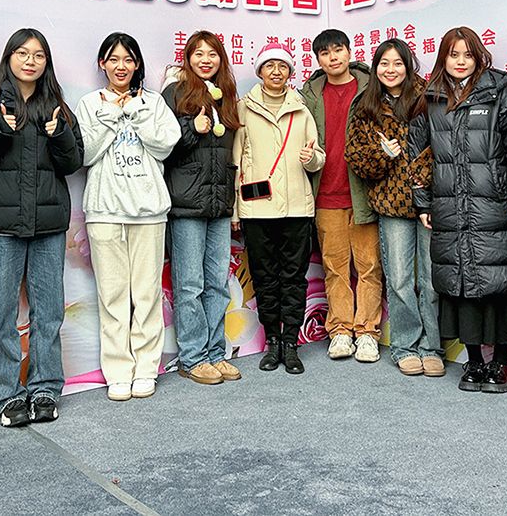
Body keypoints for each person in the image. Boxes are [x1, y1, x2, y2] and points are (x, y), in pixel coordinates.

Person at [0, 29, 82, 428]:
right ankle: (8, 394)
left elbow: (74, 162)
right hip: (0, 227)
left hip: (48, 224)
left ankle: (45, 388)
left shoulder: (57, 109)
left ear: (47, 63)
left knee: (49, 312)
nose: (30, 61)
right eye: (22, 53)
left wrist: (60, 135)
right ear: (9, 58)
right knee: (3, 313)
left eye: (39, 55)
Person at [410, 27, 507, 394]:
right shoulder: (430, 99)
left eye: (468, 55)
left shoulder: (499, 94)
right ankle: (475, 361)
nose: (460, 62)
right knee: (460, 284)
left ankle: (500, 364)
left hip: (494, 203)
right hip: (449, 205)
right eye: (454, 55)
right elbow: (418, 157)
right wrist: (422, 202)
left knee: (500, 280)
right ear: (443, 59)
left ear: (479, 58)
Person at [76, 33, 180, 401]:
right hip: (104, 211)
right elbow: (84, 154)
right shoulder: (89, 104)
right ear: (102, 64)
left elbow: (166, 145)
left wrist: (135, 112)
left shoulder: (153, 102)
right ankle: (118, 371)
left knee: (147, 294)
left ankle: (146, 368)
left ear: (137, 65)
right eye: (113, 59)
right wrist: (110, 116)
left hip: (149, 211)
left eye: (128, 60)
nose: (121, 67)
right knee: (113, 296)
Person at [344, 39, 443, 377]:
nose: (391, 70)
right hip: (391, 203)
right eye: (384, 64)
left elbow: (444, 144)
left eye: (397, 63)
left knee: (430, 279)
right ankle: (404, 346)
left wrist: (422, 174)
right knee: (399, 279)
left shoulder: (429, 97)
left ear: (408, 66)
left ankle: (432, 346)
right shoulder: (366, 105)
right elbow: (355, 158)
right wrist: (382, 155)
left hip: (430, 200)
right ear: (375, 68)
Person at [234, 43, 325, 375]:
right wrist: (234, 210)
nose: (276, 71)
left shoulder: (301, 109)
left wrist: (311, 158)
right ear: (259, 71)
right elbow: (235, 160)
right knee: (265, 278)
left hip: (297, 208)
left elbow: (318, 156)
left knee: (294, 278)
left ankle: (291, 343)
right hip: (257, 210)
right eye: (269, 66)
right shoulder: (243, 109)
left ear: (290, 72)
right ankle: (273, 341)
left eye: (282, 66)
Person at [161, 31, 244, 386]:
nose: (205, 60)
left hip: (219, 203)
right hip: (186, 204)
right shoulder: (174, 93)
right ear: (188, 58)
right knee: (190, 285)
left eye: (212, 54)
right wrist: (191, 128)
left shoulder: (226, 96)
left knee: (218, 283)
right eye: (199, 53)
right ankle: (193, 357)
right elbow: (163, 145)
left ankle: (214, 352)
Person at [301, 30, 383, 364]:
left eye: (338, 50)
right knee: (334, 269)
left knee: (369, 267)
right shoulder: (309, 95)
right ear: (317, 60)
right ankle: (340, 331)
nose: (333, 57)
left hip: (363, 194)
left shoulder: (371, 87)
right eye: (325, 53)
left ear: (350, 52)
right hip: (326, 194)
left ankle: (367, 333)